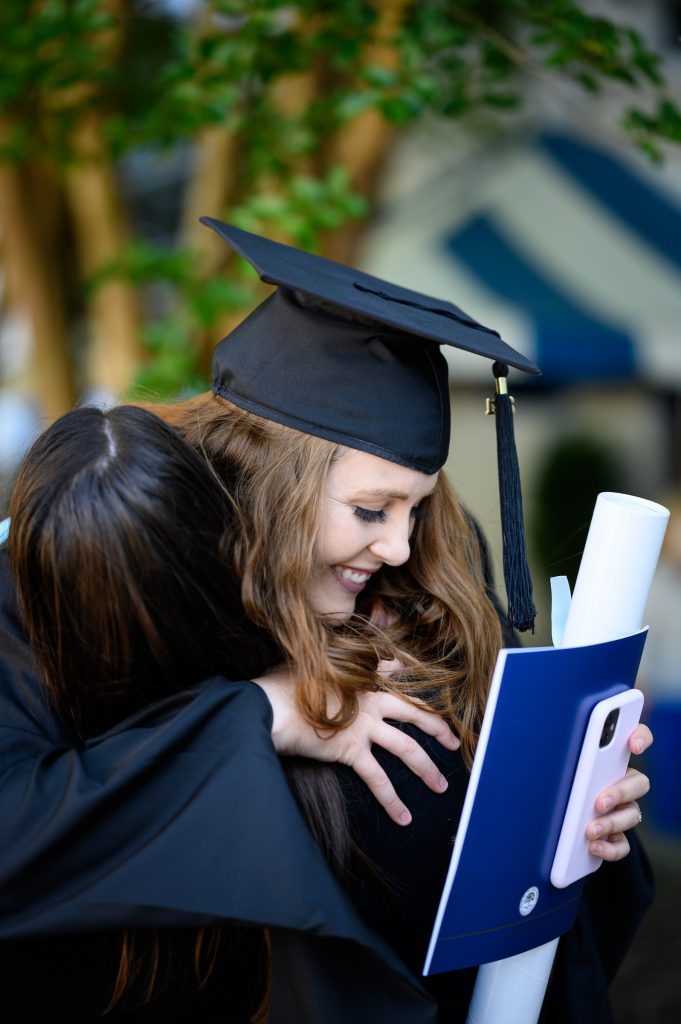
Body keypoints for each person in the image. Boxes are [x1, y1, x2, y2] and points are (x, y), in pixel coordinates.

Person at [0, 221, 652, 1023]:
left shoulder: (431, 562)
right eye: (371, 509)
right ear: (270, 477)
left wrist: (576, 808)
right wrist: (264, 713)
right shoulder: (94, 567)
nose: (399, 542)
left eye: (415, 506)